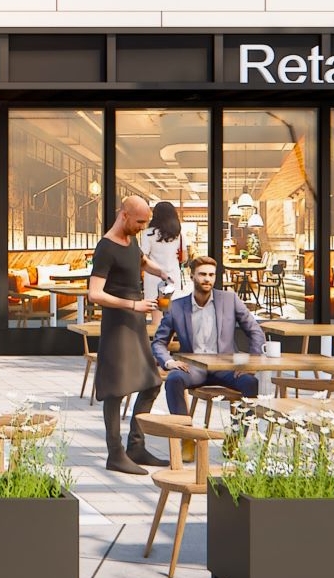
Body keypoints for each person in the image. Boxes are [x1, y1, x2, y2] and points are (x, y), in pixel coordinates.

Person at [89, 196, 166, 475]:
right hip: (118, 322)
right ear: (124, 216)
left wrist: (160, 270)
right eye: (140, 221)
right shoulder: (105, 248)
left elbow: (138, 260)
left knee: (151, 383)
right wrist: (133, 304)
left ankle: (136, 445)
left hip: (135, 320)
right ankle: (115, 453)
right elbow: (94, 293)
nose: (143, 227)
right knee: (116, 388)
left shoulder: (131, 239)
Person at [151, 256, 268, 419]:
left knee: (250, 383)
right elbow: (159, 342)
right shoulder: (176, 307)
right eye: (202, 274)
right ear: (192, 276)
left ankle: (234, 441)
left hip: (226, 368)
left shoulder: (229, 299)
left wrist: (251, 363)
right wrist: (169, 362)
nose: (207, 279)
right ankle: (186, 439)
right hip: (193, 368)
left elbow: (255, 331)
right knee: (173, 380)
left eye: (211, 275)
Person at [138, 201, 187, 302]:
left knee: (156, 309)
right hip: (172, 276)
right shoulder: (177, 234)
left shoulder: (148, 234)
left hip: (153, 276)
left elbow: (143, 258)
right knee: (172, 308)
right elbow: (184, 258)